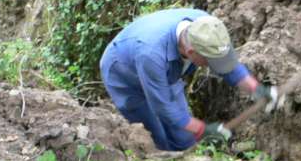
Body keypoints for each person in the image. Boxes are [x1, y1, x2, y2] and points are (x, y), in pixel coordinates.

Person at [100, 8, 282, 151]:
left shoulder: (207, 28)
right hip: (123, 72)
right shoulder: (152, 55)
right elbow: (163, 107)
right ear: (190, 53)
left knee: (183, 137)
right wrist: (203, 130)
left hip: (166, 69)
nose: (213, 66)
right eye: (210, 62)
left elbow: (228, 65)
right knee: (153, 134)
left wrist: (257, 89)